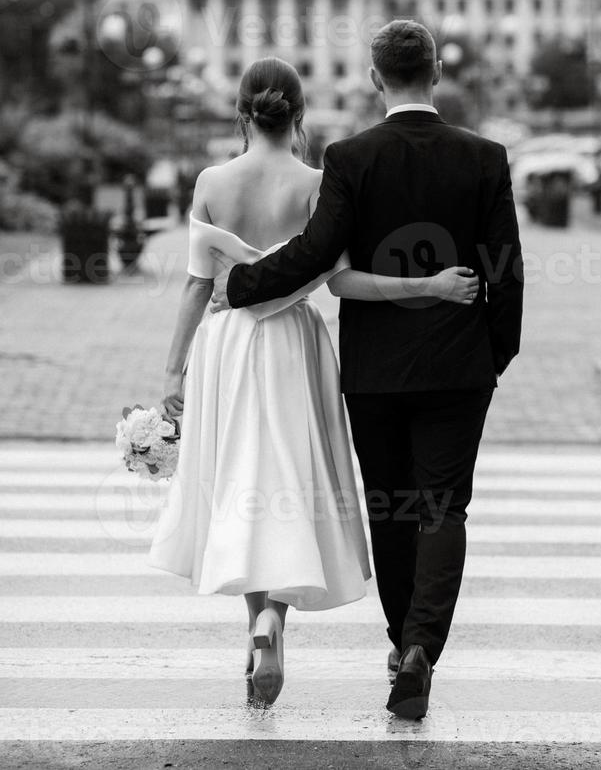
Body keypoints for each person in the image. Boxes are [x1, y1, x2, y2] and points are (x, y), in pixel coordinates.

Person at [210, 22, 524, 720]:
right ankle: (419, 649)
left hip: (376, 370)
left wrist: (239, 287)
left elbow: (318, 252)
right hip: (458, 366)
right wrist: (492, 356)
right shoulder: (484, 156)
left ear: (376, 79)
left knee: (391, 506)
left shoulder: (351, 157)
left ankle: (399, 636)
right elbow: (507, 271)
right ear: (436, 72)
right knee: (443, 507)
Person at [149, 55, 480, 708]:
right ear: (299, 117)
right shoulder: (316, 185)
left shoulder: (213, 182)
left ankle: (257, 624)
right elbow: (343, 280)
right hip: (295, 343)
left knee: (241, 478)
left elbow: (195, 286)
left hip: (225, 343)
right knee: (288, 478)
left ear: (241, 114)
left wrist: (172, 372)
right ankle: (277, 613)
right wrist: (427, 285)